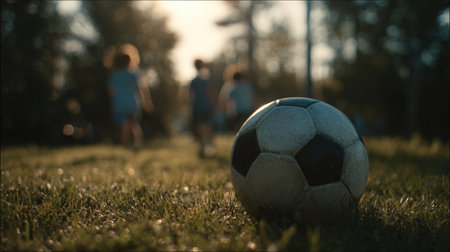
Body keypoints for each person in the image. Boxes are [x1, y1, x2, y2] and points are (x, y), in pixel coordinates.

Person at [105, 44, 153, 149]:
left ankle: (126, 147)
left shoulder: (114, 75)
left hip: (119, 105)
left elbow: (111, 91)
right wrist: (145, 102)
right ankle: (137, 143)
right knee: (134, 125)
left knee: (124, 126)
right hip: (132, 104)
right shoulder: (133, 74)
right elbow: (140, 89)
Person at [188, 59, 217, 157]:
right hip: (206, 106)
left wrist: (188, 105)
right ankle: (209, 145)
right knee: (208, 126)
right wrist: (214, 103)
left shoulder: (194, 80)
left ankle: (203, 145)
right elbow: (211, 92)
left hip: (197, 106)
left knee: (200, 127)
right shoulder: (206, 79)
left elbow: (190, 95)